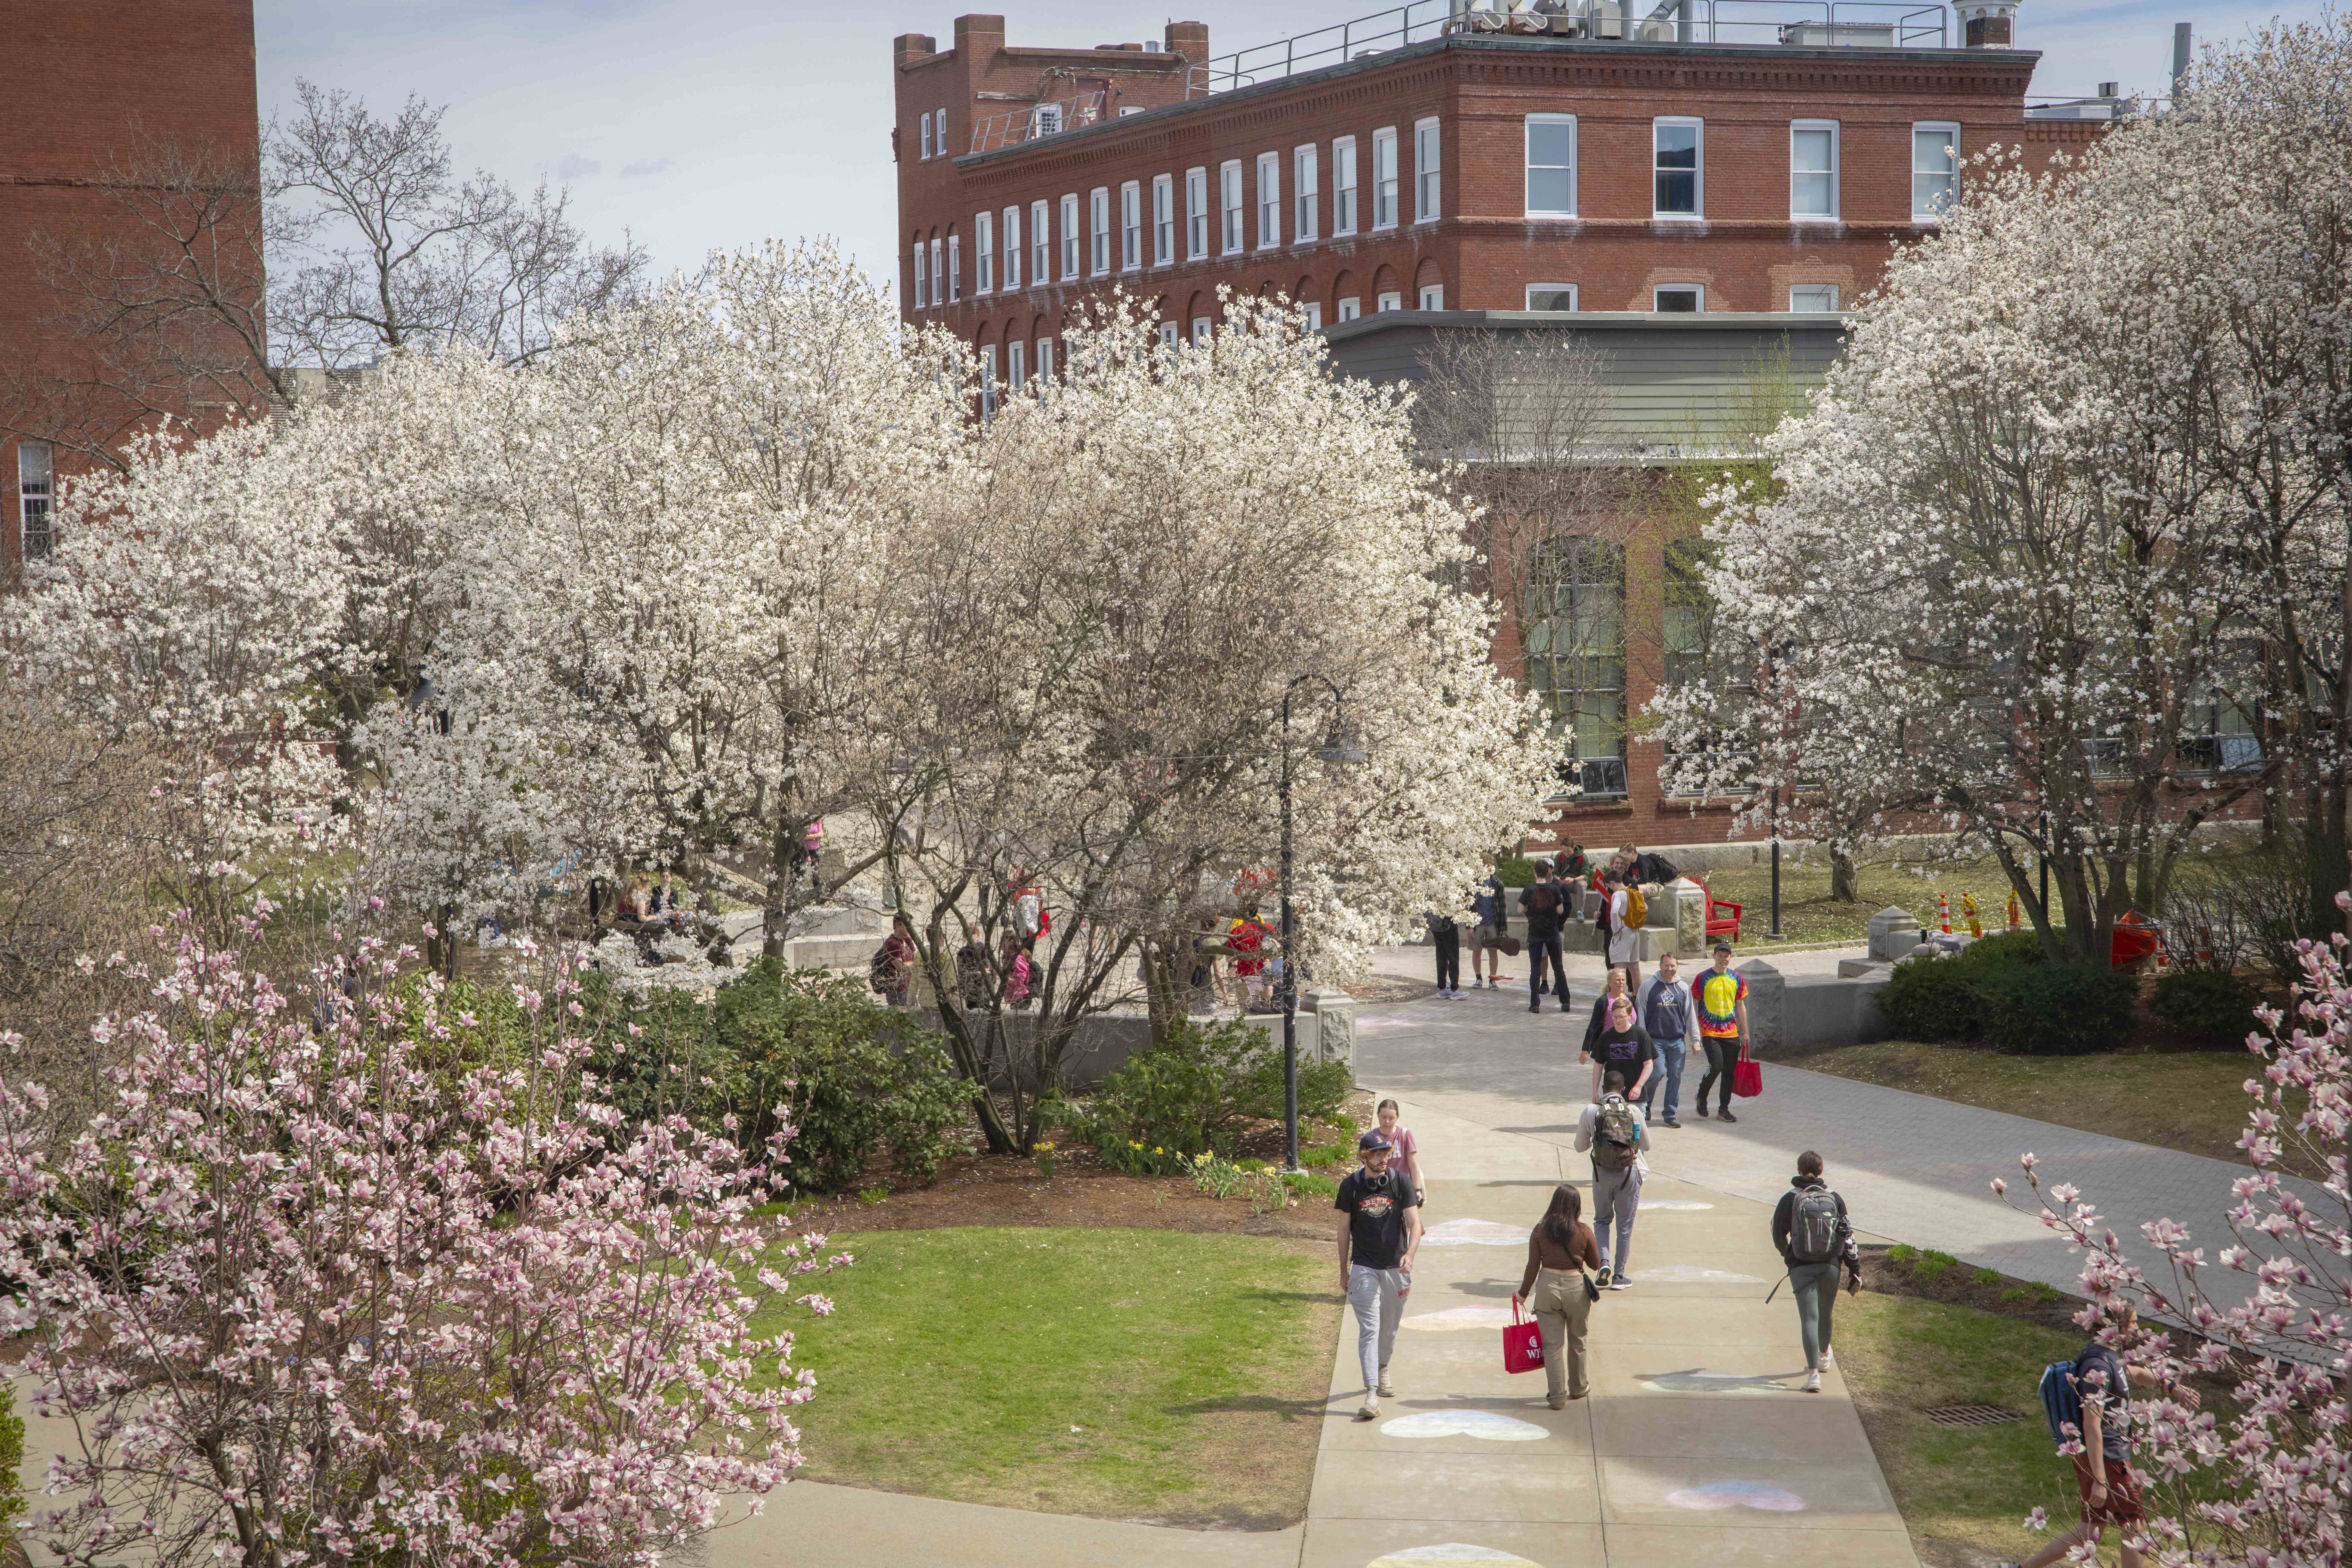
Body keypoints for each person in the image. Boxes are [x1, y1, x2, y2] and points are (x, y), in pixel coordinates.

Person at [2003, 1304, 2171, 1568]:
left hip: (2098, 1459)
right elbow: (2092, 1424)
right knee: (2135, 1524)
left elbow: (2134, 1374)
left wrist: (2171, 1386)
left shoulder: (2107, 1357)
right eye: (2134, 1323)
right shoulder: (2098, 1366)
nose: (2137, 1329)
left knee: (2090, 1530)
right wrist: (2101, 1479)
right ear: (2115, 1328)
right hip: (2107, 1460)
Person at [1335, 1128, 1423, 1421]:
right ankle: (1371, 1393)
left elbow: (1415, 1223)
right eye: (1377, 1154)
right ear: (1365, 1157)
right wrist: (1343, 1269)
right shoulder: (1350, 1186)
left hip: (1396, 1268)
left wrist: (1409, 1255)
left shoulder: (1401, 1182)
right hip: (1363, 1266)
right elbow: (1343, 1230)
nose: (1384, 1158)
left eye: (1386, 1153)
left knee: (1390, 1327)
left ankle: (1383, 1367)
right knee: (1370, 1329)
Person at [1771, 1150, 1859, 1391]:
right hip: (1831, 1264)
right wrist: (1854, 1268)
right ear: (1821, 1171)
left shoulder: (1790, 1199)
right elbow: (1848, 1235)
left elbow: (1778, 1233)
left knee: (1809, 1318)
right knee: (1825, 1313)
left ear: (1799, 1170)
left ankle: (1813, 1376)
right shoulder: (1834, 1198)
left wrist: (1788, 1255)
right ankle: (1823, 1356)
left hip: (1801, 1265)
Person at [1514, 1183, 1601, 1408]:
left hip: (1547, 1289)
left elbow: (1532, 1266)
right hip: (1576, 1290)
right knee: (1578, 1340)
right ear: (1577, 1206)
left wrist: (1523, 1294)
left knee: (1553, 1346)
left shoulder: (1540, 1230)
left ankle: (1557, 1397)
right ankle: (1579, 1387)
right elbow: (1596, 1264)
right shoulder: (1584, 1231)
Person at [1574, 1069, 1649, 1289]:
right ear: (1623, 1090)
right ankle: (1619, 1276)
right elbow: (1647, 1145)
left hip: (1602, 1173)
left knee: (1602, 1220)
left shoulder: (1591, 1111)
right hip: (1629, 1173)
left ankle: (1604, 1262)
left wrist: (1595, 1142)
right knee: (1625, 1225)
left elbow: (1580, 1147)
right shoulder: (1633, 1111)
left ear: (1603, 1090)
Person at [1693, 941, 1749, 1124]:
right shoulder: (1702, 978)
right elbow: (1693, 1003)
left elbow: (1741, 1005)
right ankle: (1702, 1095)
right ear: (1714, 956)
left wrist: (1745, 1032)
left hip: (1731, 1033)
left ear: (1731, 958)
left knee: (1729, 1073)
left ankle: (1723, 1110)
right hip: (1710, 1031)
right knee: (1717, 1065)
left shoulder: (1737, 978)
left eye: (1727, 956)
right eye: (1720, 955)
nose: (1723, 959)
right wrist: (1695, 1031)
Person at [1636, 954, 1692, 1128]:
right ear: (1660, 966)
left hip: (1677, 1041)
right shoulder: (1648, 986)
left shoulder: (1683, 987)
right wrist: (1643, 1039)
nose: (1670, 969)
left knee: (1675, 1077)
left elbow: (1690, 1015)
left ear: (1677, 967)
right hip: (1655, 1041)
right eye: (1667, 966)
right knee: (1656, 1074)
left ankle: (1670, 1113)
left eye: (1673, 966)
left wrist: (1696, 1040)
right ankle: (1646, 1107)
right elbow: (1641, 1012)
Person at [1585, 993, 1655, 1107]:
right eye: (1615, 1017)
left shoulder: (1641, 1035)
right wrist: (1595, 1092)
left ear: (1630, 1016)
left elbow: (1649, 1065)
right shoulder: (1606, 1036)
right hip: (1612, 1097)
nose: (1618, 1020)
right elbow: (1599, 1065)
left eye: (1622, 1017)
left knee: (1638, 1125)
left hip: (1636, 1097)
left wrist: (1639, 1086)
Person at [1519, 862, 1570, 1014]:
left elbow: (1520, 908)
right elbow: (1561, 910)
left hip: (1535, 933)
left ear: (1535, 873)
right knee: (1558, 967)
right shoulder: (1554, 889)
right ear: (1548, 871)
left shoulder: (1529, 890)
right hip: (1552, 932)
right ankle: (1565, 1002)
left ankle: (1535, 1004)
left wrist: (1532, 911)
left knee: (1535, 969)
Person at [1375, 1097, 1424, 1205]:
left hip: (1403, 1189)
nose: (1387, 1122)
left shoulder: (1405, 1134)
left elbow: (1413, 1165)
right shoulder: (1370, 1137)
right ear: (1378, 1115)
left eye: (1391, 1118)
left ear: (1397, 1117)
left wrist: (1418, 1190)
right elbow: (1362, 1166)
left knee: (1409, 1221)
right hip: (1380, 1189)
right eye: (1383, 1117)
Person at [1605, 865, 1644, 997]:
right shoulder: (1633, 892)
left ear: (1612, 883)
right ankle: (1638, 999)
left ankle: (1619, 1000)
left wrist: (1615, 929)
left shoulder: (1618, 895)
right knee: (1635, 969)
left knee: (1619, 970)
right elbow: (1646, 908)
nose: (1610, 889)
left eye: (1609, 886)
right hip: (1635, 932)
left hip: (1623, 933)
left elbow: (1615, 911)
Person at [1468, 865, 1508, 989]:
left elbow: (1502, 906)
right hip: (1477, 924)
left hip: (1492, 923)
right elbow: (1467, 905)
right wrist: (1468, 926)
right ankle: (1478, 979)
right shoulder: (1472, 883)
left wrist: (1503, 926)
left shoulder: (1496, 883)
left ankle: (1493, 980)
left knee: (1493, 952)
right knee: (1477, 952)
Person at [1228, 903, 1273, 1011]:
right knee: (1267, 1011)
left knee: (1246, 1013)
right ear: (1257, 911)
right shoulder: (1269, 929)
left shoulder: (1236, 932)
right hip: (1265, 974)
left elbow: (1230, 958)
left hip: (1245, 975)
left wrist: (1234, 966)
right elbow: (1273, 952)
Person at [1580, 965, 1630, 1060]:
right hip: (1611, 1045)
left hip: (1629, 1043)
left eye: (1623, 980)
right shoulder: (1603, 1001)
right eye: (1618, 980)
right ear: (1610, 983)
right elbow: (1593, 1026)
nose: (1621, 983)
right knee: (1614, 1073)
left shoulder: (1630, 1000)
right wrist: (1586, 1049)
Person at [871, 914, 918, 1008]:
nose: (910, 928)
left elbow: (916, 959)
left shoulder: (909, 940)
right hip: (897, 990)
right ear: (898, 925)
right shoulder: (892, 944)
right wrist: (915, 965)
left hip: (910, 988)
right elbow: (902, 968)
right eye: (907, 925)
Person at [1425, 908, 1463, 1000]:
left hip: (1436, 924)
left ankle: (1442, 988)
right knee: (1453, 956)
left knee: (1441, 956)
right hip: (1448, 923)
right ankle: (1455, 989)